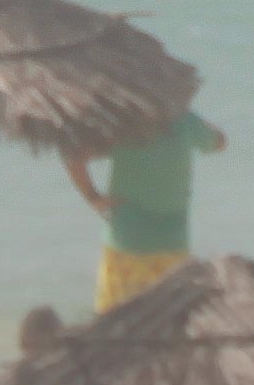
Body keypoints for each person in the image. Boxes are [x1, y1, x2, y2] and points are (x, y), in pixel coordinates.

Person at [63, 103, 224, 311]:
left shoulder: (122, 124)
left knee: (116, 320)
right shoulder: (184, 120)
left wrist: (93, 197)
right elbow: (220, 142)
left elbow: (73, 156)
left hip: (126, 244)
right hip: (171, 245)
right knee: (167, 321)